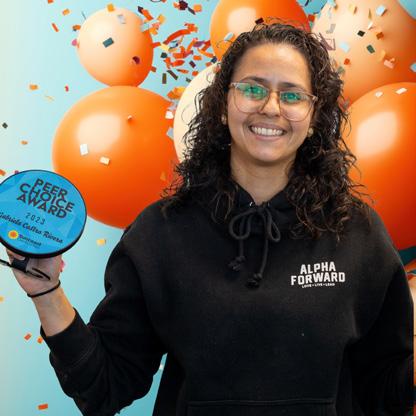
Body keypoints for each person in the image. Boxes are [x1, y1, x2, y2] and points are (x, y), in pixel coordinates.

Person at [6, 22, 413, 416]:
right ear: (221, 106)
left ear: (313, 117)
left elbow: (385, 392)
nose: (271, 107)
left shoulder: (356, 231)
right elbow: (106, 387)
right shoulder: (161, 233)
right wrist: (47, 291)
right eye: (252, 89)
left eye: (292, 95)